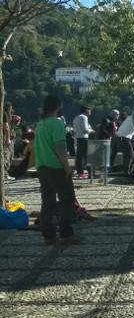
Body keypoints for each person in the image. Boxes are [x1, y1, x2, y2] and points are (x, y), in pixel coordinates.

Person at [35, 95, 81, 244]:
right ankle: (66, 233)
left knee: (47, 201)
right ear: (58, 106)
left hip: (42, 166)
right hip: (55, 167)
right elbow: (60, 148)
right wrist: (67, 167)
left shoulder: (40, 124)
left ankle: (48, 234)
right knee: (67, 200)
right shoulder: (57, 124)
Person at [72, 106, 93, 178]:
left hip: (77, 138)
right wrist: (91, 131)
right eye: (89, 111)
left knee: (79, 157)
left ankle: (80, 172)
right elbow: (85, 129)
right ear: (86, 111)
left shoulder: (76, 118)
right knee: (88, 156)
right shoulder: (84, 117)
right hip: (84, 138)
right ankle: (91, 173)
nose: (90, 113)